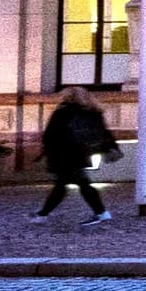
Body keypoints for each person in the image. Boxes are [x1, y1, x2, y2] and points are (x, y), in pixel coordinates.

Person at [34, 86, 116, 223]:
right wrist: (110, 147)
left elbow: (50, 135)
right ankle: (43, 213)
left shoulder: (62, 112)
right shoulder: (92, 112)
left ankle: (101, 212)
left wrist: (47, 152)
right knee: (70, 183)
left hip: (63, 154)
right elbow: (104, 132)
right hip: (80, 153)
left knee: (70, 184)